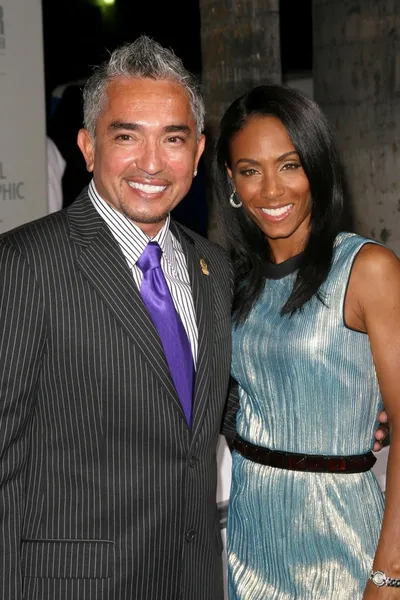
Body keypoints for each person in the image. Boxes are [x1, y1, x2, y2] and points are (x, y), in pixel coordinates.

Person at [0, 36, 236, 599]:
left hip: (195, 579)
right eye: (127, 136)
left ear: (198, 152)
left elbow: (215, 408)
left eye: (173, 139)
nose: (152, 163)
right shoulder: (23, 265)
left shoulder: (215, 269)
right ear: (87, 147)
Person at [212, 84, 400, 599]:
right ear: (231, 180)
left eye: (290, 165)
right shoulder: (232, 282)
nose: (271, 191)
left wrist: (389, 576)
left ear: (317, 166)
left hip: (340, 540)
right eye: (250, 171)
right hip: (251, 539)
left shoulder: (367, 270)